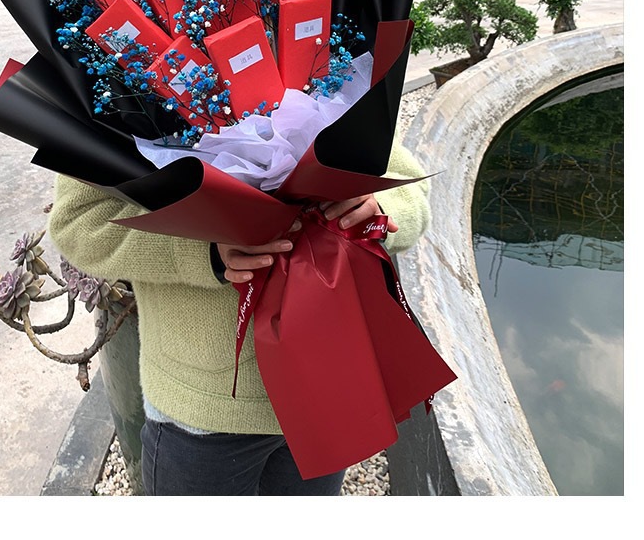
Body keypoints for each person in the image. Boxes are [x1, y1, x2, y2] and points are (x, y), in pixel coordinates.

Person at [47, 133, 432, 497]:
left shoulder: (339, 79)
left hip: (326, 385)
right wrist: (203, 250)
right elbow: (80, 222)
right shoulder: (128, 85)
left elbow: (407, 185)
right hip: (202, 411)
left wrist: (378, 215)